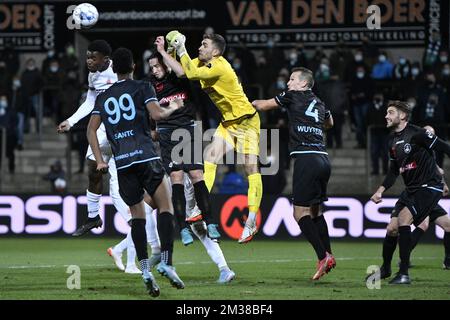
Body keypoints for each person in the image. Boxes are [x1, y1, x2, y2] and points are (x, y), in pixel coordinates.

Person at [87, 47, 185, 296]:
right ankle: (167, 262)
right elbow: (157, 115)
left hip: (122, 164)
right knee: (165, 208)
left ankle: (144, 271)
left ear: (114, 68)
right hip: (146, 157)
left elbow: (90, 131)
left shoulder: (104, 96)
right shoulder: (143, 87)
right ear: (132, 66)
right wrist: (173, 106)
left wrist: (100, 161)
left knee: (138, 218)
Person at [56, 40, 147, 274]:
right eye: (87, 56)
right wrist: (71, 121)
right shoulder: (93, 76)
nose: (88, 61)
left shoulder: (118, 73)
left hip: (121, 134)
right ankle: (93, 217)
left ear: (107, 60)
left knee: (125, 198)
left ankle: (132, 256)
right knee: (93, 170)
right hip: (103, 131)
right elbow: (90, 102)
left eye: (93, 58)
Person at [167, 31, 262, 243]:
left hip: (246, 121)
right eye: (199, 44)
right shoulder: (202, 63)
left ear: (216, 51)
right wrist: (169, 51)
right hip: (228, 123)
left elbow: (189, 73)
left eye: (204, 45)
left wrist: (182, 47)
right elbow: (183, 71)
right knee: (209, 159)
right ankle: (199, 208)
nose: (199, 47)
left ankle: (251, 220)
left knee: (250, 169)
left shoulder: (219, 66)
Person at [252, 67, 336, 280]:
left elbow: (264, 105)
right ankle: (330, 255)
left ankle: (322, 256)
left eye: (292, 79)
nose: (288, 83)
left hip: (306, 159)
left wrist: (245, 103)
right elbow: (330, 123)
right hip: (323, 159)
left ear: (303, 84)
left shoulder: (291, 95)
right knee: (316, 211)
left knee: (299, 213)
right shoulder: (319, 102)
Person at [370, 101, 450, 284]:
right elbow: (392, 171)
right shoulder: (392, 141)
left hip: (429, 187)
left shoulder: (418, 133)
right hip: (411, 189)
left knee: (405, 220)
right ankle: (386, 268)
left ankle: (404, 274)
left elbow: (445, 147)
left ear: (403, 116)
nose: (386, 116)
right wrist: (380, 190)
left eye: (390, 112)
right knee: (391, 229)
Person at [148, 38, 219, 242]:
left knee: (197, 175)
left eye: (157, 66)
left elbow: (181, 72)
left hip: (187, 129)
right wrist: (153, 128)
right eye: (151, 67)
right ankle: (183, 227)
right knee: (176, 178)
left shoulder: (179, 78)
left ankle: (210, 222)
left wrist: (162, 51)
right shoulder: (151, 85)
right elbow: (150, 111)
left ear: (165, 63)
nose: (154, 70)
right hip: (167, 133)